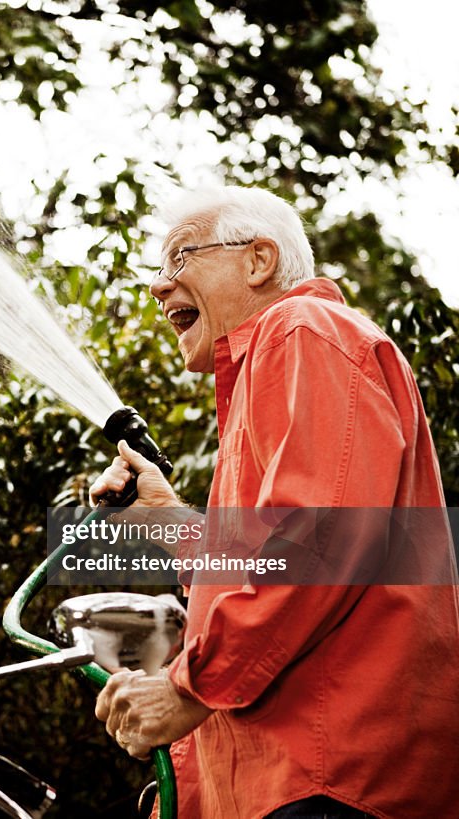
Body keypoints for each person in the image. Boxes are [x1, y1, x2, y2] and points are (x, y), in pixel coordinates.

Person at [89, 186, 459, 818]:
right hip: (292, 779)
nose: (158, 287)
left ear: (258, 260)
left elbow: (322, 540)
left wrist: (190, 688)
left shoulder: (303, 330)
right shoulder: (279, 365)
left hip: (333, 779)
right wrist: (164, 517)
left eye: (179, 259)